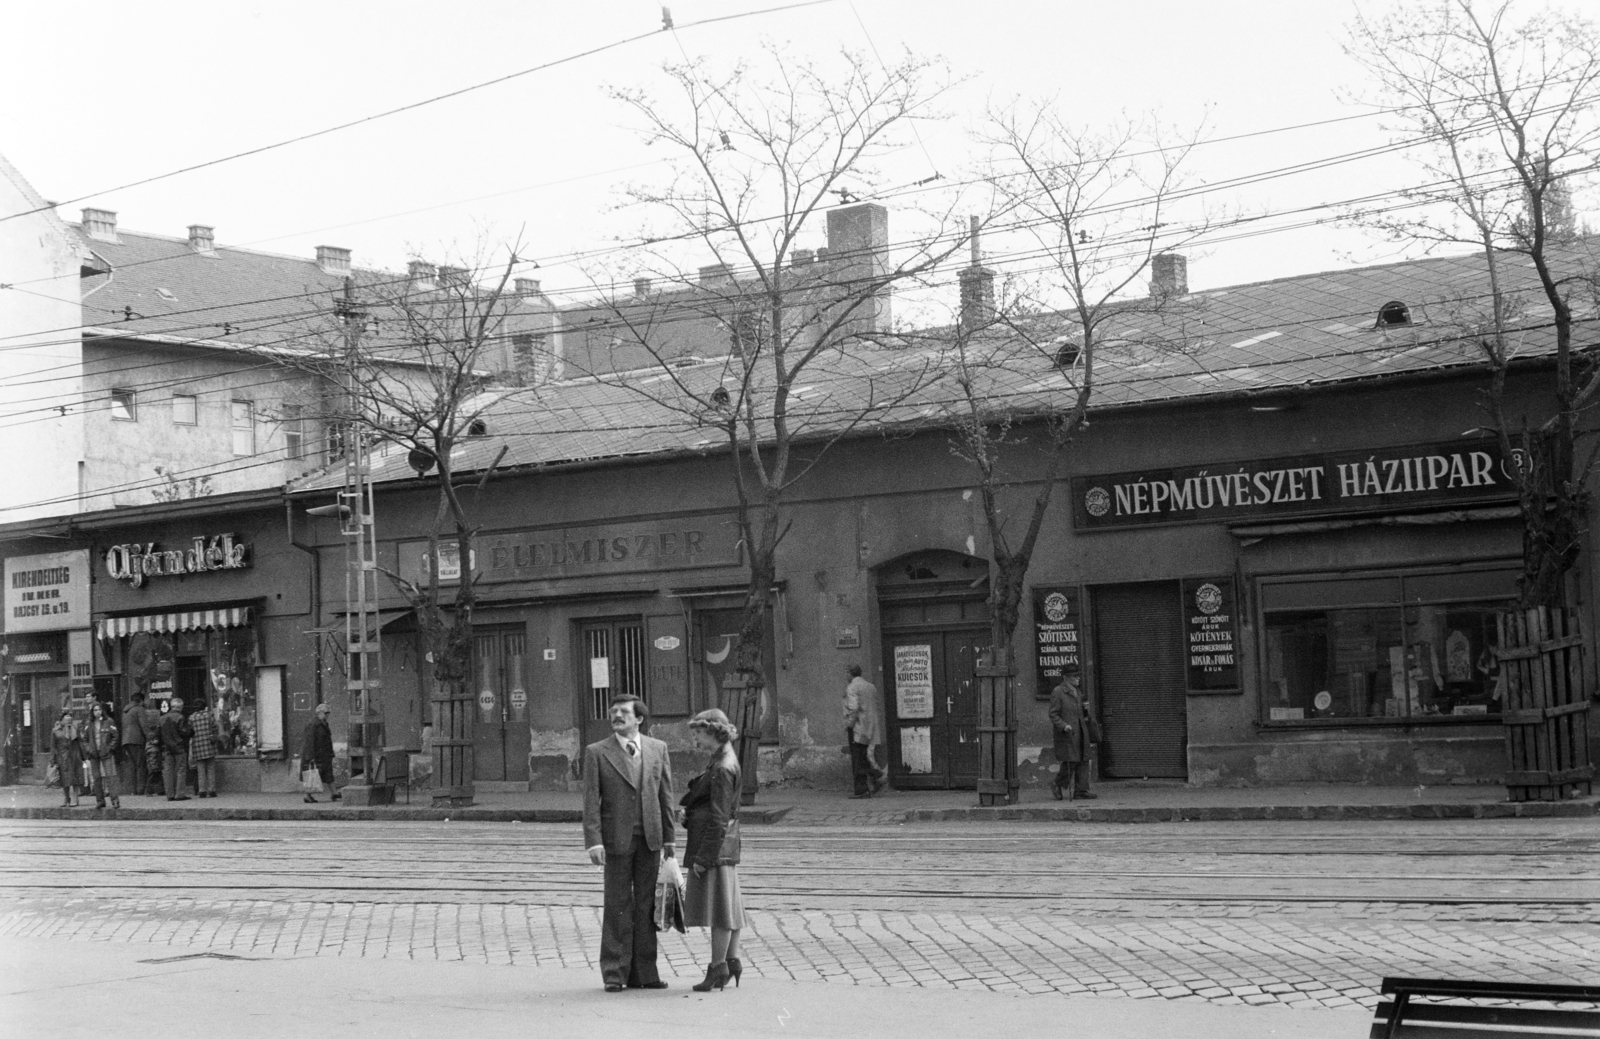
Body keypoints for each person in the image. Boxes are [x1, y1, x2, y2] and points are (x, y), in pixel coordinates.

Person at [581, 694, 676, 993]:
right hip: (615, 841)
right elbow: (590, 804)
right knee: (618, 904)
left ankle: (645, 973)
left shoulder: (657, 748)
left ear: (639, 719)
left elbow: (666, 796)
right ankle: (614, 973)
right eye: (613, 712)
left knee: (648, 906)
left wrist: (670, 839)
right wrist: (594, 842)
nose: (617, 716)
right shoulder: (597, 752)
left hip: (650, 839)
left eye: (624, 712)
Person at [680, 708, 747, 993]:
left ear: (712, 732)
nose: (695, 740)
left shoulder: (721, 766)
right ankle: (731, 960)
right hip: (724, 846)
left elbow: (719, 817)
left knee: (720, 911)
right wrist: (690, 813)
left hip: (715, 848)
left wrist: (702, 859)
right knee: (730, 905)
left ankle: (717, 967)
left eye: (698, 734)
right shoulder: (721, 758)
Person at [1048, 677, 1102, 801]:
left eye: (1078, 676)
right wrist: (1063, 725)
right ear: (1066, 678)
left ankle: (1081, 791)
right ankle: (1057, 783)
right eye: (1075, 676)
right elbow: (1053, 714)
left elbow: (1079, 714)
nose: (1078, 679)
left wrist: (1085, 710)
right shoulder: (1058, 691)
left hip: (1081, 730)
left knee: (1084, 759)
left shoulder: (1077, 691)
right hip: (1068, 732)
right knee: (1071, 760)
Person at [842, 664, 886, 798]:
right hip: (870, 727)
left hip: (857, 727)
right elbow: (876, 705)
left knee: (857, 759)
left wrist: (849, 724)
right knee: (862, 756)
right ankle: (872, 781)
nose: (846, 676)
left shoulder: (852, 687)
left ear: (850, 674)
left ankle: (869, 782)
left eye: (846, 673)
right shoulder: (870, 686)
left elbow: (854, 709)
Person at [85, 700, 121, 809]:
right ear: (92, 712)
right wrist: (89, 749)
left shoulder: (109, 721)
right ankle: (100, 801)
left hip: (106, 752)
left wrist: (110, 748)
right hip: (94, 753)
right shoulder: (88, 723)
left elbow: (115, 736)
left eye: (99, 709)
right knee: (96, 778)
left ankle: (115, 800)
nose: (98, 712)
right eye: (95, 710)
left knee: (111, 776)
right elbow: (84, 739)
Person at [158, 696, 193, 801]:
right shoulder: (180, 717)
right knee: (180, 770)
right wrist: (191, 731)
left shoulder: (162, 718)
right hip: (179, 747)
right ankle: (179, 794)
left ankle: (170, 794)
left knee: (168, 771)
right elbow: (184, 732)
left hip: (166, 748)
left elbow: (158, 734)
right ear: (180, 707)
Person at [300, 703, 337, 803]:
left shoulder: (322, 723)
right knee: (313, 775)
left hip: (324, 754)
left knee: (328, 773)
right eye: (326, 713)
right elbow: (309, 741)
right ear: (319, 713)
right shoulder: (313, 724)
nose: (327, 715)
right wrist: (310, 757)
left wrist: (331, 753)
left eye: (328, 713)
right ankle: (307, 795)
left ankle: (334, 793)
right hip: (316, 755)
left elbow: (327, 740)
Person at [49, 709, 84, 808]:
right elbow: (52, 746)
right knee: (65, 779)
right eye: (66, 720)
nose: (68, 722)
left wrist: (84, 756)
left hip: (74, 756)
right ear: (61, 720)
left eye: (70, 720)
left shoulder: (74, 729)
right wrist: (52, 759)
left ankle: (75, 798)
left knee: (75, 778)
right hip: (62, 757)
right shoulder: (55, 731)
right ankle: (66, 798)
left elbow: (80, 742)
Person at [120, 692, 149, 801]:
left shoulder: (125, 710)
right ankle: (140, 789)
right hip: (137, 740)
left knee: (132, 765)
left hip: (126, 740)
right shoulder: (139, 709)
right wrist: (150, 737)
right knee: (140, 765)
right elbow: (144, 725)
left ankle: (133, 789)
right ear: (140, 700)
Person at [188, 700, 220, 798]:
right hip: (209, 744)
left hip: (197, 745)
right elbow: (215, 728)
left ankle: (202, 791)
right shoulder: (209, 715)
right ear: (204, 706)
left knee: (200, 769)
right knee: (211, 768)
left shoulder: (191, 718)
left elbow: (189, 731)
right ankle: (212, 790)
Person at [143, 697, 165, 795]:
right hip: (153, 751)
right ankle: (149, 790)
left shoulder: (149, 732)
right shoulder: (153, 733)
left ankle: (159, 789)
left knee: (156, 771)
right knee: (154, 771)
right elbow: (155, 741)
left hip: (151, 750)